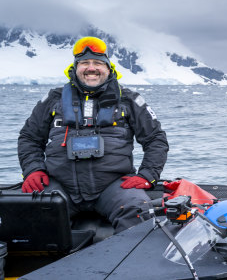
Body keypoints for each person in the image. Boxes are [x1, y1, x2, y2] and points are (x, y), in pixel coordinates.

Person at [18, 36, 169, 233]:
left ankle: (121, 263)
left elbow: (155, 139)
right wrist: (33, 169)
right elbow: (29, 137)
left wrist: (147, 175)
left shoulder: (129, 100)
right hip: (60, 186)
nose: (91, 68)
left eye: (98, 63)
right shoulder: (52, 99)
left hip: (113, 187)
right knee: (27, 214)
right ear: (75, 68)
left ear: (109, 68)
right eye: (85, 63)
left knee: (138, 213)